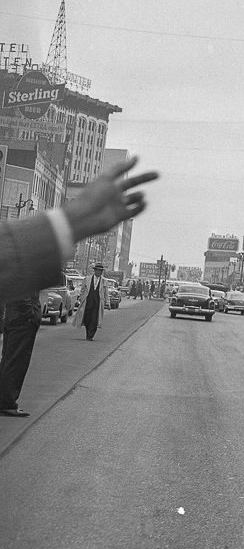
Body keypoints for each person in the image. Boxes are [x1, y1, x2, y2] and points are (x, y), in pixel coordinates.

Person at [0, 156, 157, 305]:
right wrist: (68, 222)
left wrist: (68, 222)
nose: (98, 272)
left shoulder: (102, 282)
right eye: (97, 270)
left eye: (99, 270)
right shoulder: (88, 280)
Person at [0, 293, 42, 418]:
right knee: (16, 362)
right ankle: (7, 403)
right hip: (22, 319)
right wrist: (30, 314)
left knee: (10, 359)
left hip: (17, 317)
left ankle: (5, 401)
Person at [73, 263, 110, 340]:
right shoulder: (87, 279)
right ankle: (88, 333)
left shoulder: (104, 281)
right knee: (87, 318)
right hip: (87, 302)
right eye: (98, 270)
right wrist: (80, 299)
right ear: (95, 270)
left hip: (97, 303)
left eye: (101, 271)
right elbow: (82, 290)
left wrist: (107, 303)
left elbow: (106, 293)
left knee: (94, 319)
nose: (100, 272)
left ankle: (90, 335)